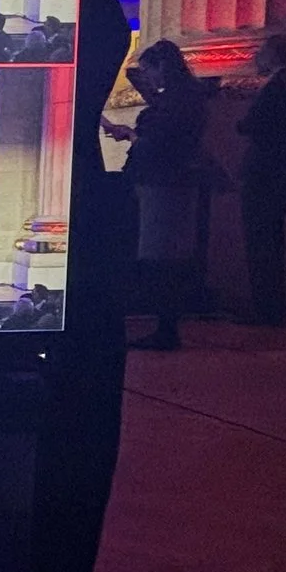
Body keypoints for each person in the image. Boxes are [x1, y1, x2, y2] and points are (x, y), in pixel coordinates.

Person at [104, 41, 210, 349]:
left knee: (161, 258)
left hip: (163, 185)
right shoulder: (187, 97)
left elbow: (161, 144)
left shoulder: (178, 102)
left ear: (162, 66)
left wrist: (133, 136)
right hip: (170, 183)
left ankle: (166, 330)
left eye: (150, 70)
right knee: (167, 257)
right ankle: (166, 328)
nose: (149, 79)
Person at [236, 33, 286, 326]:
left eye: (261, 52)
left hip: (264, 174)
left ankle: (264, 310)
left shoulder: (277, 87)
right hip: (284, 173)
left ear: (273, 55)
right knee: (272, 241)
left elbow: (250, 124)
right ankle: (272, 308)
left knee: (259, 243)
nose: (256, 58)